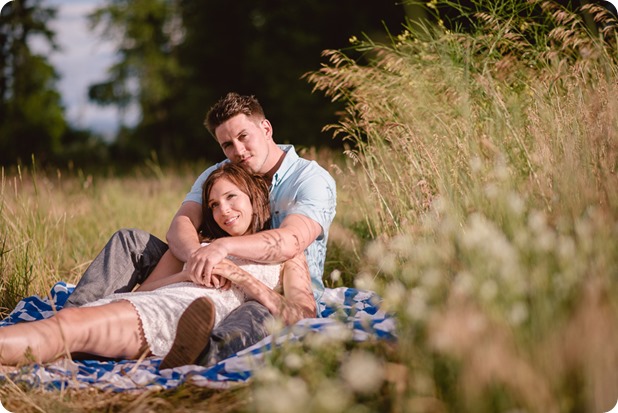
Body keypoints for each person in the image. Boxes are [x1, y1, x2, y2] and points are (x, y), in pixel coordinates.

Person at [63, 92, 337, 367]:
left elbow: (289, 241)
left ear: (266, 128)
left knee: (255, 311)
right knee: (129, 240)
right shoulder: (219, 173)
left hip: (277, 289)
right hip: (214, 275)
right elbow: (181, 223)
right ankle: (68, 325)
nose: (238, 152)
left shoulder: (310, 179)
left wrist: (223, 247)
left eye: (244, 137)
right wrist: (198, 256)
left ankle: (201, 356)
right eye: (227, 145)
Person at [0, 164, 315, 366]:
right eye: (214, 205)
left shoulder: (286, 252)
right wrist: (185, 272)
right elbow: (147, 289)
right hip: (157, 308)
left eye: (232, 197)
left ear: (254, 198)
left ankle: (202, 353)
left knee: (68, 329)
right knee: (67, 326)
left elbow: (303, 314)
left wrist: (244, 279)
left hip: (202, 324)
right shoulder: (199, 244)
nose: (224, 211)